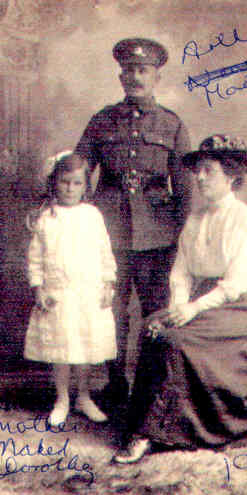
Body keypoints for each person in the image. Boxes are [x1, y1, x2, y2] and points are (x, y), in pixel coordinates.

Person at [113, 134, 247, 463]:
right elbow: (181, 273)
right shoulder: (194, 220)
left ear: (231, 176)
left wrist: (193, 309)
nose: (198, 177)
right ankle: (144, 423)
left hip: (238, 307)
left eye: (208, 171)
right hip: (200, 298)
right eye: (197, 170)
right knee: (154, 325)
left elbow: (236, 284)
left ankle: (158, 432)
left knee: (174, 339)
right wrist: (179, 305)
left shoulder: (246, 222)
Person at [75, 38, 191, 398]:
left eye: (143, 70)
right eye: (129, 70)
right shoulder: (102, 120)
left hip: (158, 236)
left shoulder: (172, 125)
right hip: (108, 233)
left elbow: (185, 189)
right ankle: (116, 384)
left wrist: (182, 238)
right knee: (112, 311)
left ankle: (151, 389)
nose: (135, 77)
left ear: (156, 77)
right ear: (120, 75)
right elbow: (76, 170)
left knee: (157, 311)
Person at [24, 151, 117, 426]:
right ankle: (62, 397)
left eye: (77, 183)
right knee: (62, 347)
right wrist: (38, 288)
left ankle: (84, 395)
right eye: (65, 182)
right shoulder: (46, 217)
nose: (70, 188)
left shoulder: (92, 215)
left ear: (85, 186)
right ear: (54, 183)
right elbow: (35, 258)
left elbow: (104, 251)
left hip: (88, 292)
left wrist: (108, 283)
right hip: (59, 294)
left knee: (85, 345)